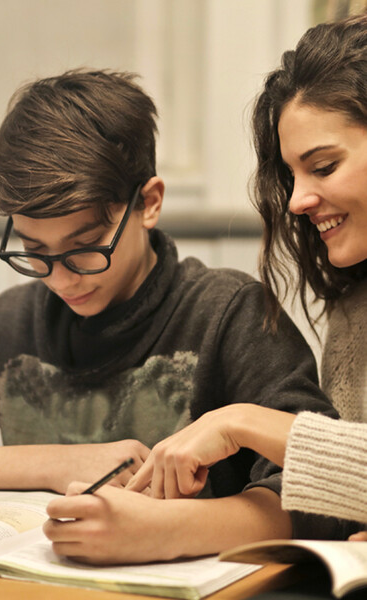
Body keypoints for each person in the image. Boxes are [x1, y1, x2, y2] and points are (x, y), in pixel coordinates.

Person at [0, 68, 351, 567]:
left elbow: (327, 492)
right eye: (34, 249)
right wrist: (60, 462)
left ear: (149, 203)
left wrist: (171, 530)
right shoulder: (7, 321)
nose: (63, 278)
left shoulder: (230, 312)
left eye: (86, 248)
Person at [125, 13, 367, 537]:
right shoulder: (353, 313)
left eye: (323, 167)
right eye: (291, 175)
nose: (299, 200)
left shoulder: (228, 308)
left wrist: (243, 422)